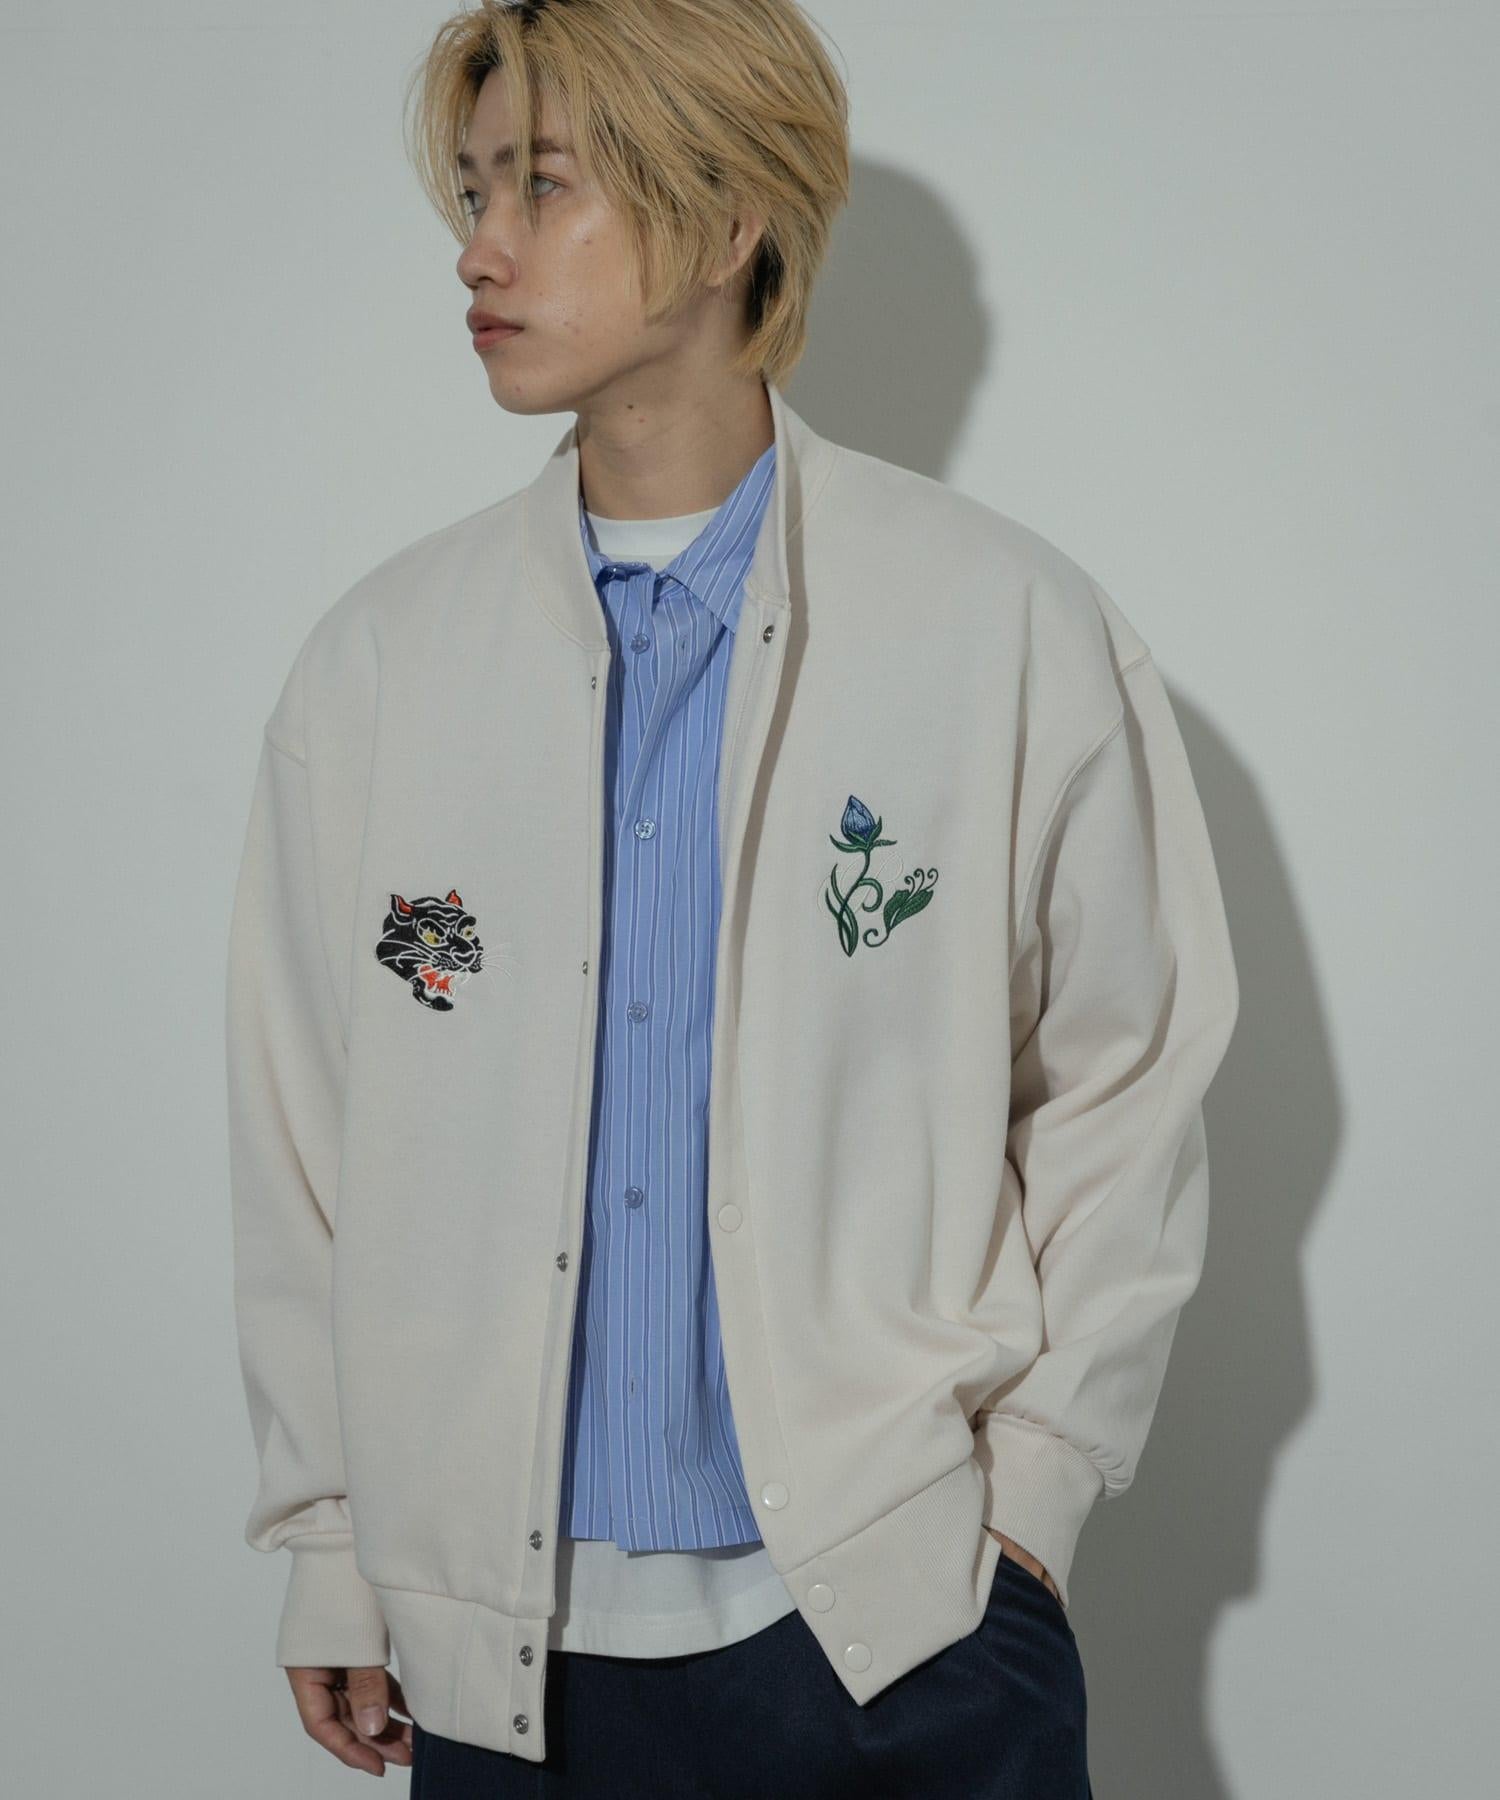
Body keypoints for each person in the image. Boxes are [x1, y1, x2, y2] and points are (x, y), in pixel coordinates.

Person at [224, 2, 1239, 1794]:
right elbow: (305, 1129)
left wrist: (1031, 1505)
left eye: (543, 186)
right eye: (474, 190)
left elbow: (1129, 1077)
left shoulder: (998, 625)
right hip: (499, 1664)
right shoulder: (383, 666)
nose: (478, 249)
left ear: (726, 219)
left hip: (906, 1631)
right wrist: (333, 1536)